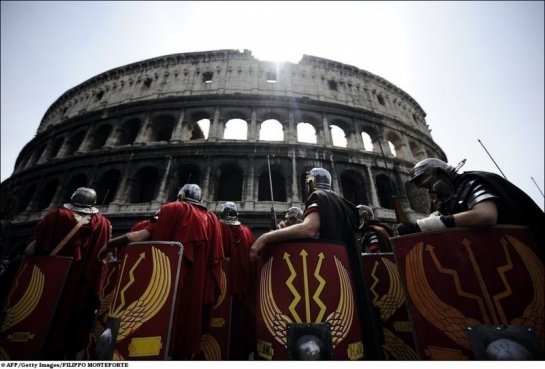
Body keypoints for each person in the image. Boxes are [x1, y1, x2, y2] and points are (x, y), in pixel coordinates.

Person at [249, 168, 384, 359]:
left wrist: (265, 237)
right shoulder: (342, 203)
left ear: (311, 182)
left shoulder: (318, 198)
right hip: (341, 275)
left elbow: (310, 228)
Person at [99, 184, 223, 359]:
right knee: (187, 333)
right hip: (198, 288)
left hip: (170, 283)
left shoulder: (173, 209)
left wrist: (108, 244)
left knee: (162, 327)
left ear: (180, 196)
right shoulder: (212, 220)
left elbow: (140, 236)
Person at [25, 187, 112, 359]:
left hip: (49, 283)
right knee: (73, 325)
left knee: (42, 321)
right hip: (82, 288)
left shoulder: (55, 216)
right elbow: (103, 258)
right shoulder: (103, 224)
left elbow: (30, 251)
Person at [398, 158, 545, 254]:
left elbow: (486, 216)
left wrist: (423, 225)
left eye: (429, 184)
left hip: (515, 249)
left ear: (440, 173)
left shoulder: (470, 183)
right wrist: (413, 227)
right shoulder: (449, 201)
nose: (431, 190)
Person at [217, 201, 256, 360]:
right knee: (240, 326)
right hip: (244, 290)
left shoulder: (217, 229)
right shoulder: (246, 231)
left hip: (220, 290)